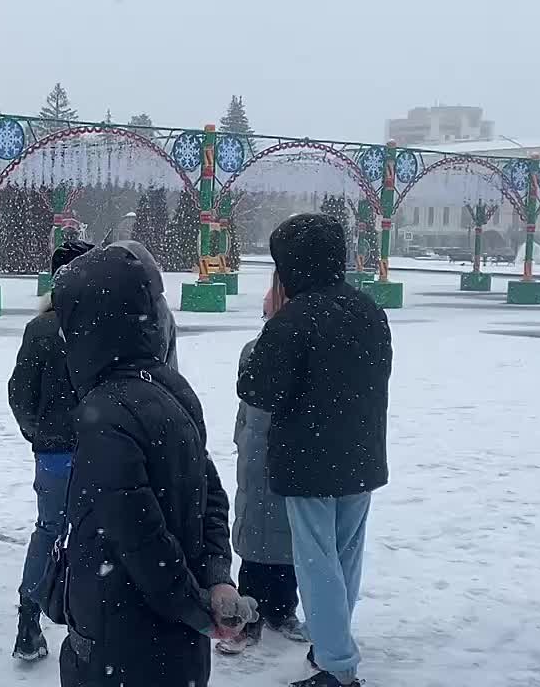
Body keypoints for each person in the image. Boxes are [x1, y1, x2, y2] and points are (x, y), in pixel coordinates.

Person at [50, 242, 256, 687]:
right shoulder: (172, 390)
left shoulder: (103, 414)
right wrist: (216, 578)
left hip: (122, 641)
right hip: (173, 647)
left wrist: (200, 614)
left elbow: (141, 540)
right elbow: (210, 496)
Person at [237, 214, 392, 687]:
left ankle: (337, 665)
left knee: (317, 561)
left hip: (307, 461)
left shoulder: (293, 319)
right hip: (361, 452)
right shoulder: (368, 309)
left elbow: (256, 389)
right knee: (346, 557)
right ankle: (333, 646)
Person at [5, 239, 94, 661]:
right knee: (100, 533)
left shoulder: (42, 328)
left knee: (49, 530)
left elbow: (19, 394)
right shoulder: (107, 326)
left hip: (55, 452)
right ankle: (90, 621)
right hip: (104, 449)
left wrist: (39, 435)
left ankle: (29, 616)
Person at [217, 272, 307, 656]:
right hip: (258, 453)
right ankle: (249, 615)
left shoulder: (302, 346)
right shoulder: (255, 350)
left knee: (287, 536)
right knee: (255, 535)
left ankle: (282, 609)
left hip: (289, 453)